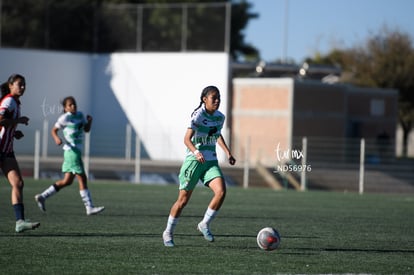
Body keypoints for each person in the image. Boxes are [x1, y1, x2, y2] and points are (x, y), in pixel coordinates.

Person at [162, 85, 236, 247]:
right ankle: (167, 232)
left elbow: (216, 134)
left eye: (219, 98)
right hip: (194, 162)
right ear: (204, 99)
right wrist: (196, 152)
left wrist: (228, 152)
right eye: (213, 98)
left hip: (210, 162)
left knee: (221, 192)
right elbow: (187, 139)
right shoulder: (198, 115)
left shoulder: (220, 117)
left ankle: (204, 224)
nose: (217, 101)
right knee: (182, 201)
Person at [35, 96, 104, 216]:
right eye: (70, 105)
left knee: (67, 181)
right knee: (82, 178)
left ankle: (42, 196)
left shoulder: (80, 115)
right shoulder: (64, 118)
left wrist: (90, 121)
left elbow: (86, 130)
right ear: (65, 108)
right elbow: (53, 130)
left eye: (74, 104)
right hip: (72, 152)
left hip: (74, 152)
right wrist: (56, 138)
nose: (73, 106)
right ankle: (89, 207)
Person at [0, 74, 40, 233]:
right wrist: (18, 121)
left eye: (24, 85)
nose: (23, 87)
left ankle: (20, 221)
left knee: (18, 184)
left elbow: (5, 124)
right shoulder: (9, 101)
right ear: (10, 86)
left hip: (7, 151)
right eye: (19, 84)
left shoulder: (15, 102)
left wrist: (14, 132)